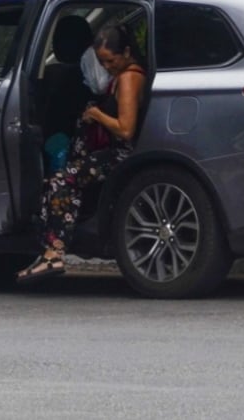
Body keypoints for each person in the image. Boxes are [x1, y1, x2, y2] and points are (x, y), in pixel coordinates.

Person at [16, 24, 147, 283]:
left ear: (127, 52)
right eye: (102, 62)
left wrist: (97, 115)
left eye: (111, 60)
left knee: (62, 182)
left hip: (121, 155)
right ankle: (51, 249)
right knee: (59, 180)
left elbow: (126, 129)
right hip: (111, 151)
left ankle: (54, 254)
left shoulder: (129, 78)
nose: (107, 67)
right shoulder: (121, 76)